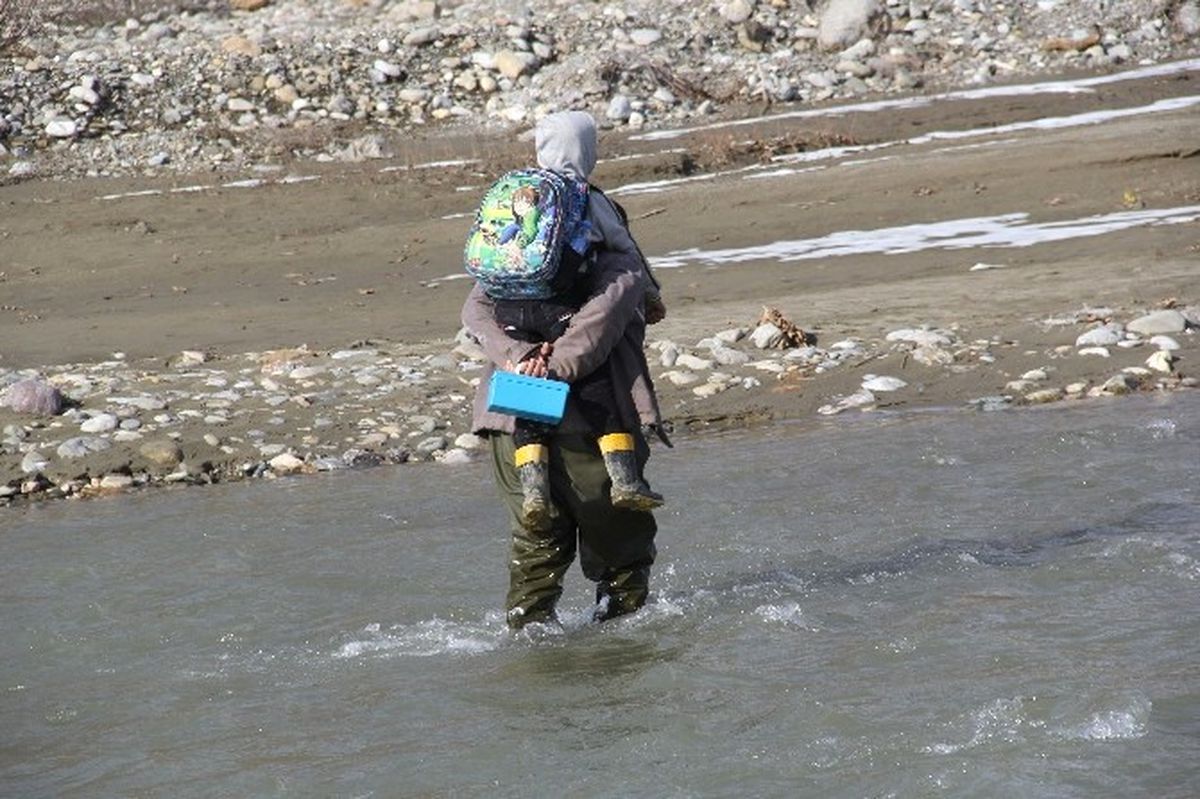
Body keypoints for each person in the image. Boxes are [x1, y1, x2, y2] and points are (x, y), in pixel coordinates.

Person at [461, 110, 668, 629]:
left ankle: (530, 639)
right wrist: (557, 364)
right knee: (618, 537)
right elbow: (605, 318)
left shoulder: (514, 240)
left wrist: (517, 359)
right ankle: (619, 639)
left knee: (536, 537)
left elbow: (475, 311)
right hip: (590, 410)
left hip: (514, 398)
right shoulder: (607, 236)